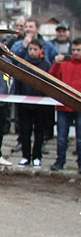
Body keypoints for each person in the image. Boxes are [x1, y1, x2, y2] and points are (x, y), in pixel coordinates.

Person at [14, 40, 52, 167]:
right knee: (25, 132)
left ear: (41, 50)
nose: (32, 52)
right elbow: (17, 83)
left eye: (35, 49)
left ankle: (37, 156)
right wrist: (18, 100)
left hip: (41, 105)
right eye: (30, 49)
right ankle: (25, 156)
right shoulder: (23, 64)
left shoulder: (46, 65)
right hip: (24, 105)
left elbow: (49, 84)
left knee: (39, 132)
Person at [50, 37, 81, 172]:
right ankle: (60, 161)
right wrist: (56, 63)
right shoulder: (64, 64)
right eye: (73, 50)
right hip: (63, 106)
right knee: (62, 138)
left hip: (79, 106)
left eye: (78, 50)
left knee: (80, 139)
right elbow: (52, 77)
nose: (75, 52)